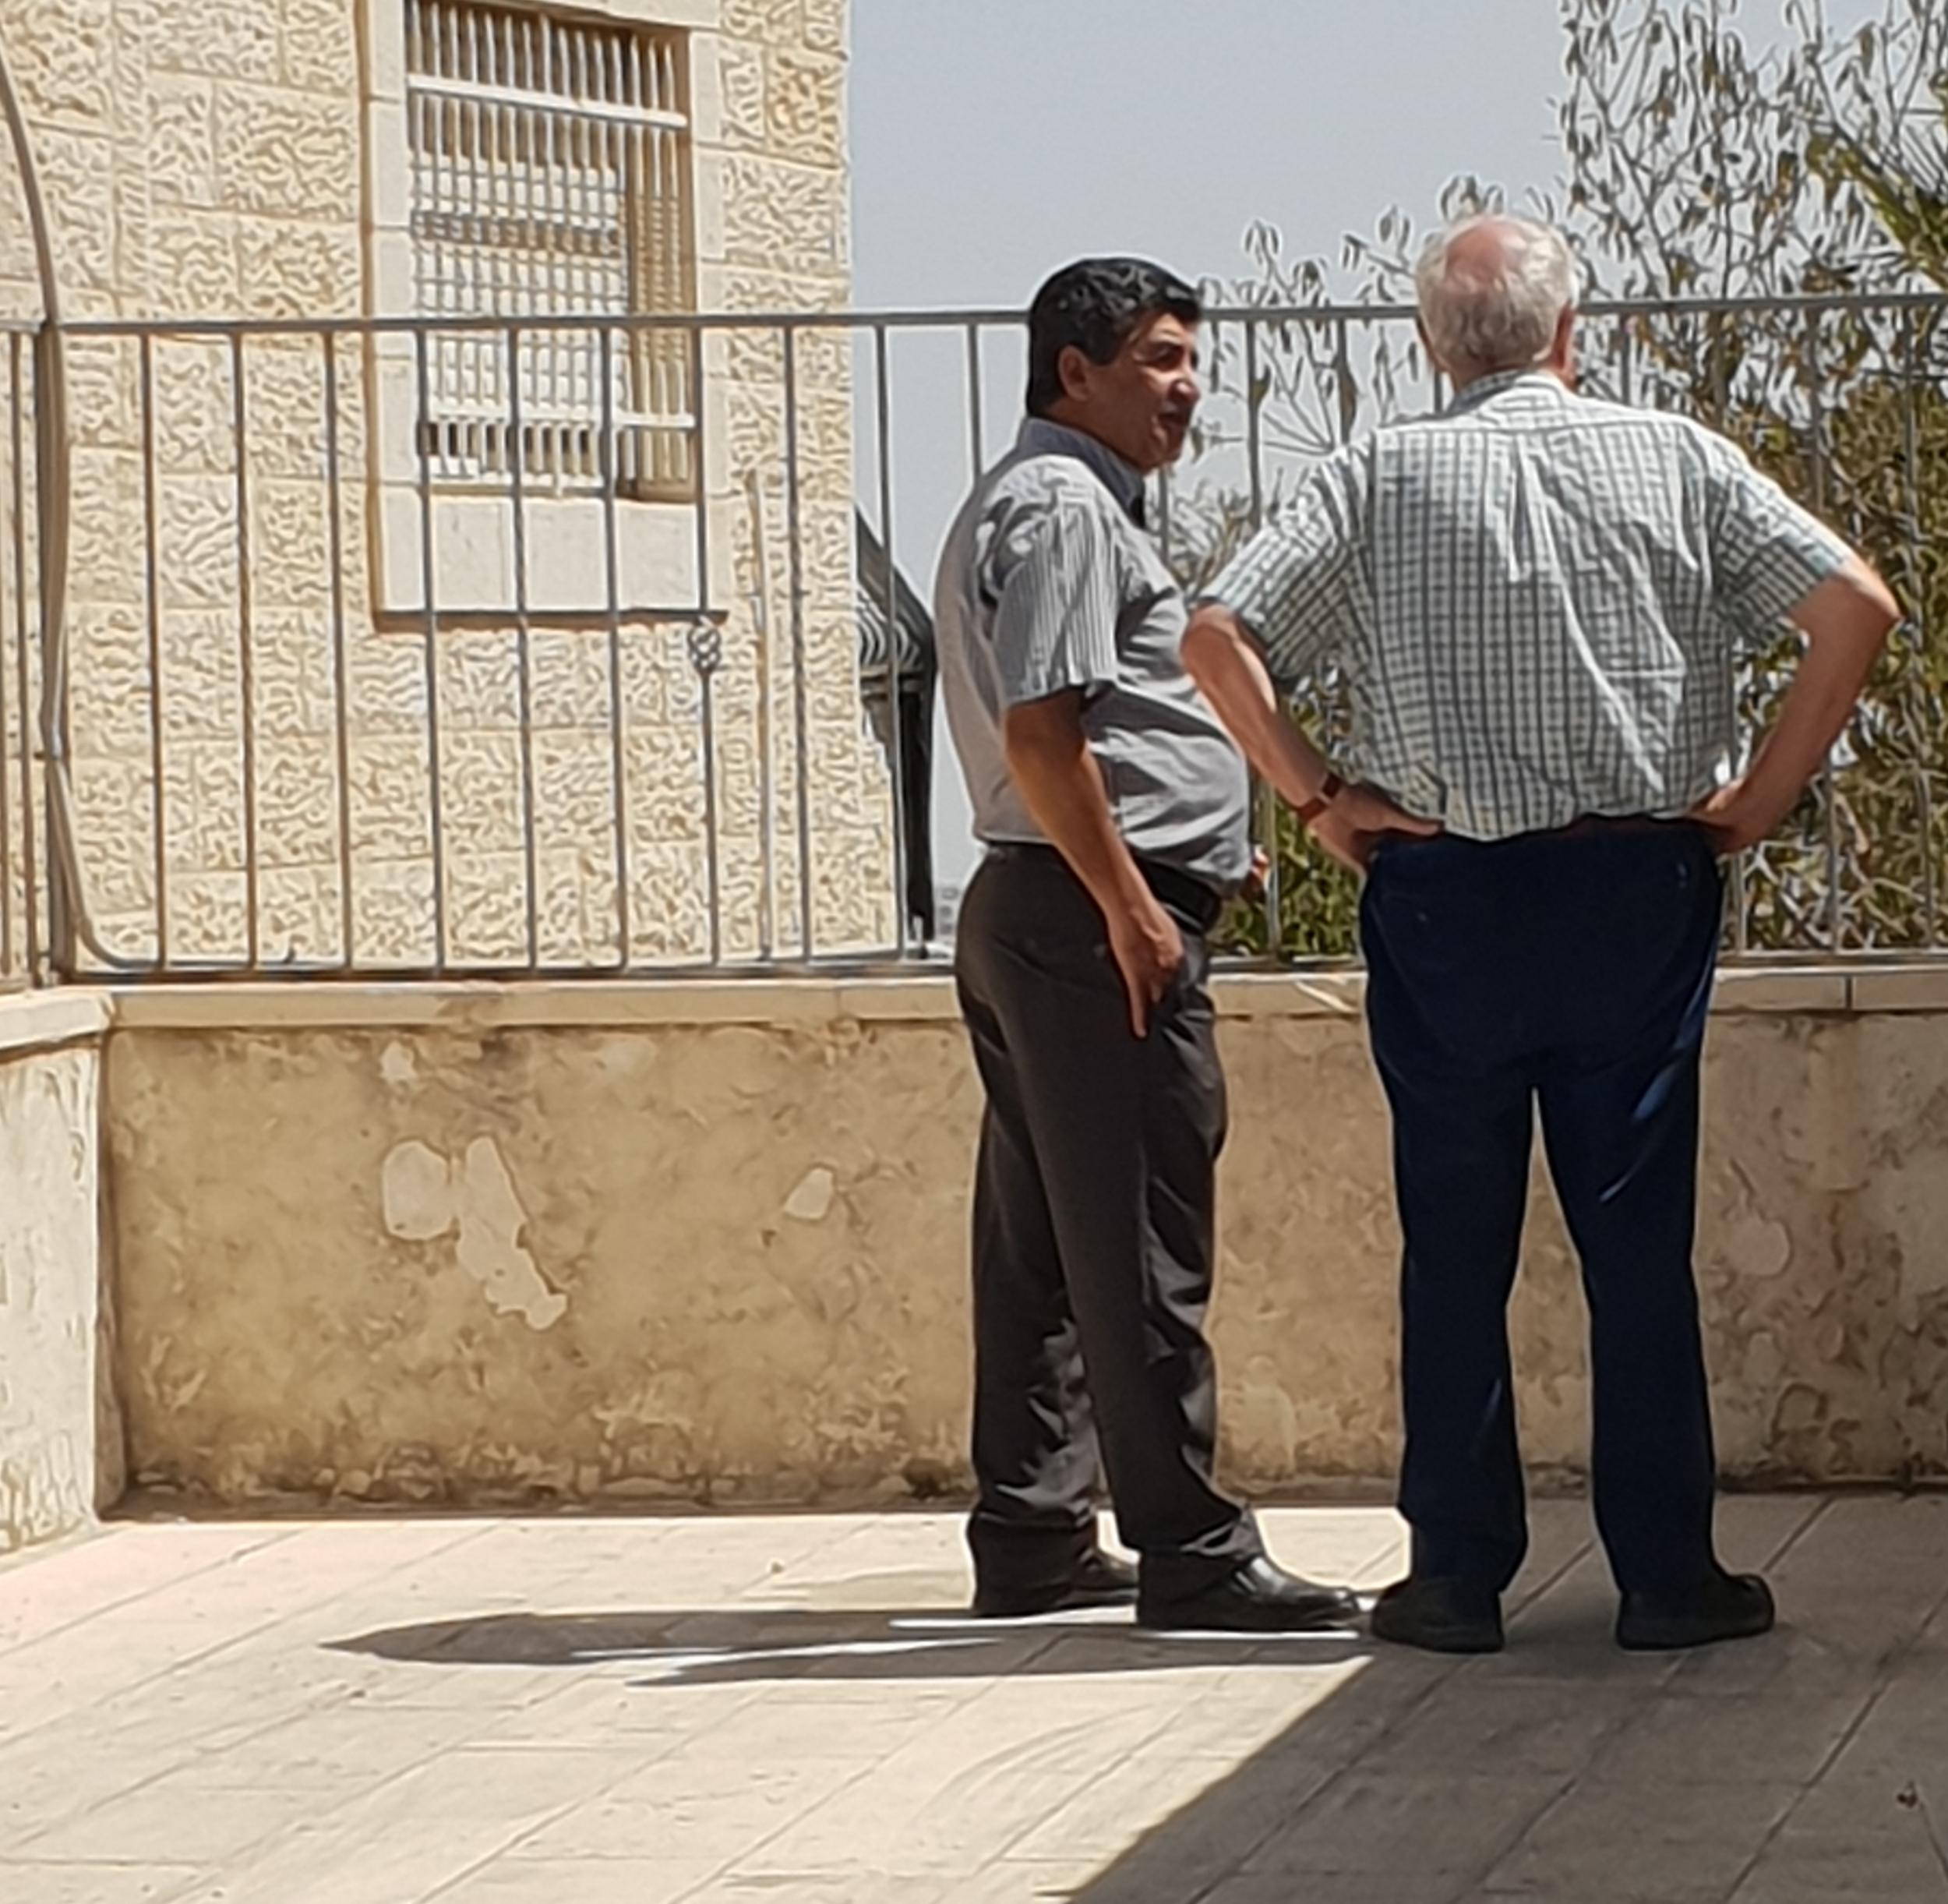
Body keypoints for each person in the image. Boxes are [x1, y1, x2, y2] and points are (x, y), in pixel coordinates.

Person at [1184, 214, 1898, 1654]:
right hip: (1635, 884)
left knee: (1453, 1239)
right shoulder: (1677, 457)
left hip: (1446, 892)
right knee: (1636, 1236)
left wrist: (1318, 798)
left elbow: (1218, 637)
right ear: (1571, 334)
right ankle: (1666, 1573)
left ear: (1431, 346)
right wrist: (1757, 799)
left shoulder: (1376, 472)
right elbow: (1855, 608)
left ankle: (1454, 1573)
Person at [934, 257, 1425, 1631]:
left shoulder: (1040, 500)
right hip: (1087, 919)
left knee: (1044, 1241)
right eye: (1156, 359)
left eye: (1188, 359)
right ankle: (1194, 1551)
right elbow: (1046, 732)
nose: (1185, 386)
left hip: (1048, 910)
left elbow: (1096, 730)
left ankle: (1032, 1531)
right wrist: (1136, 905)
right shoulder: (1066, 507)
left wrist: (1197, 840)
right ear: (1072, 372)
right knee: (1143, 1235)